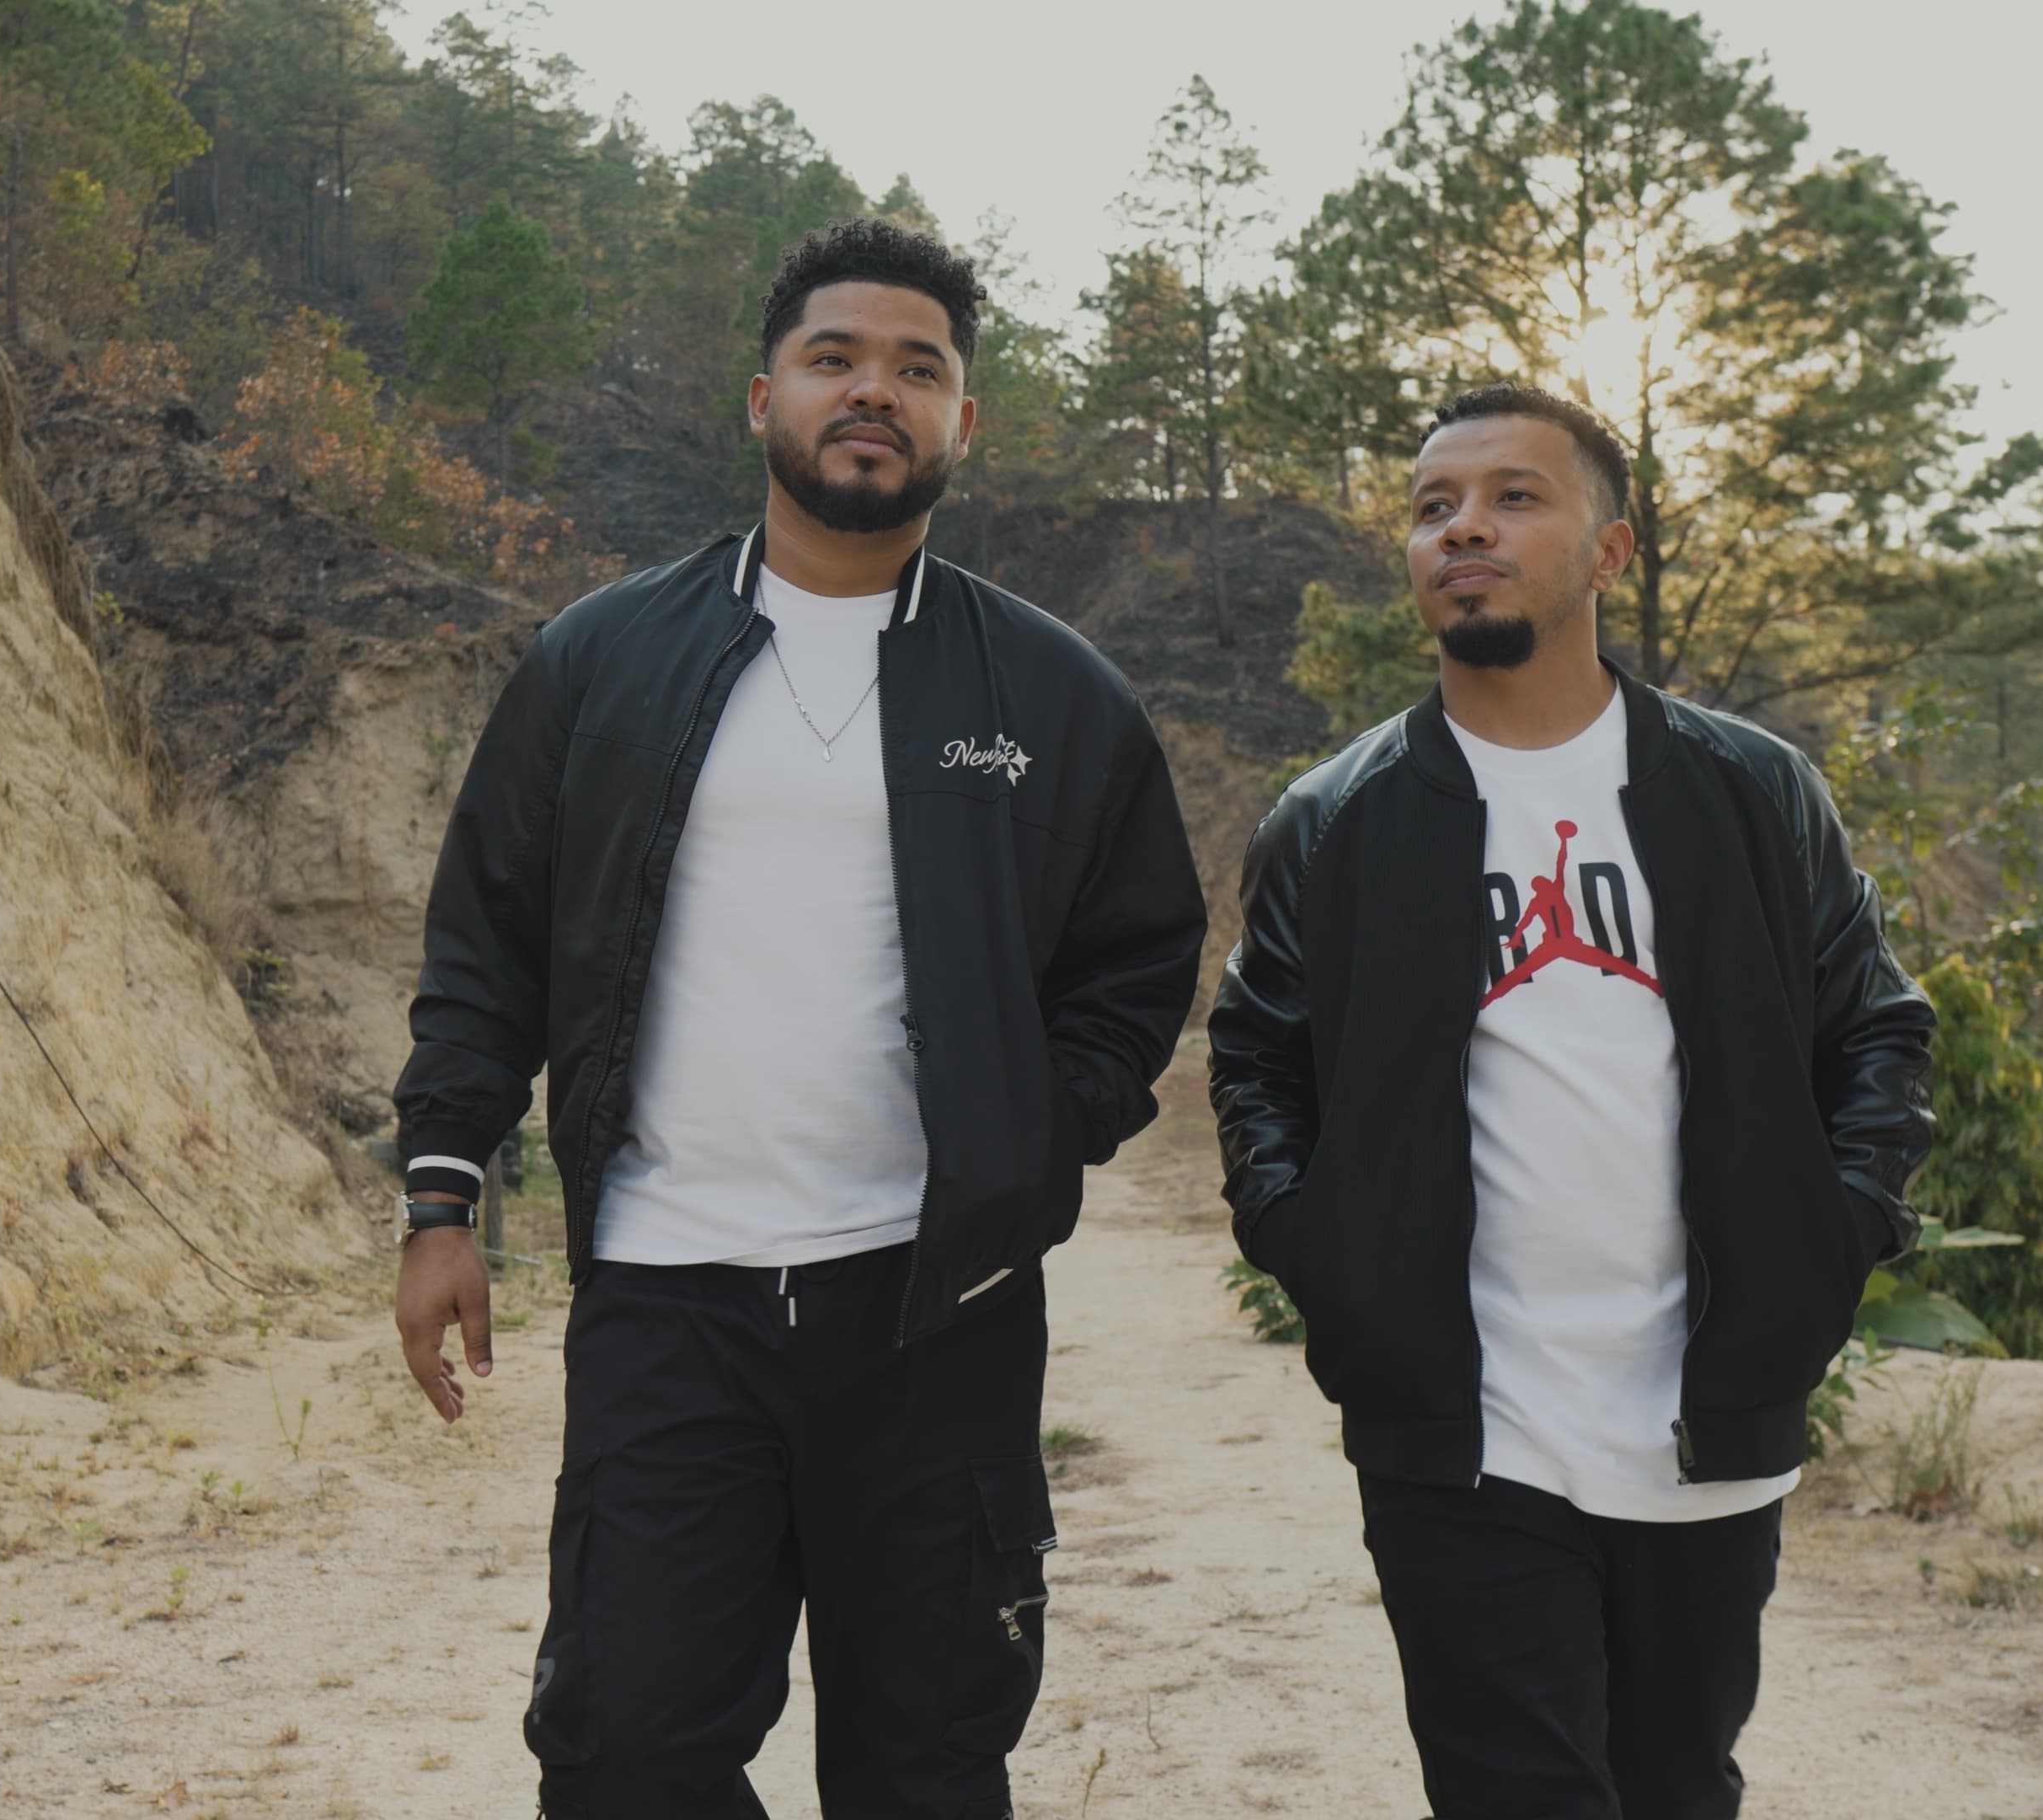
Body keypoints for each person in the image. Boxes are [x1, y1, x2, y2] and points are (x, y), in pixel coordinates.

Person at [388, 217, 1206, 1818]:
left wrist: (1031, 1140)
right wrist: (442, 1195)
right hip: (671, 1299)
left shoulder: (1054, 697)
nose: (873, 392)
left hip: (935, 1308)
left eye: (920, 369)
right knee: (624, 1753)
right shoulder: (601, 660)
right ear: (762, 392)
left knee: (926, 1764)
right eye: (837, 358)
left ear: (965, 423)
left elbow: (1138, 963)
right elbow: (484, 940)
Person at [1206, 383, 1937, 1820]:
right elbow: (1256, 1061)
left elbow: (1877, 1029)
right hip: (1460, 1428)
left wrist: (1835, 1234)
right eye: (1432, 508)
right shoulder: (1335, 819)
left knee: (1677, 1788)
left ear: (1610, 554)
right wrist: (1320, 1254)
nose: (1461, 527)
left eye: (1513, 498)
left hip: (1704, 1414)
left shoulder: (1749, 792)